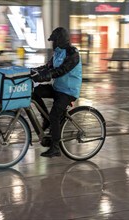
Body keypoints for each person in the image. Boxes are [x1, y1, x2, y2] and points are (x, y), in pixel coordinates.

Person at [31, 27, 82, 158]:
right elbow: (47, 67)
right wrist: (31, 71)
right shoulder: (58, 53)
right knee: (34, 92)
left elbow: (61, 70)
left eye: (54, 41)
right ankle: (45, 120)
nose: (52, 44)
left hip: (68, 91)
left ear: (60, 40)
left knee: (55, 114)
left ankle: (55, 147)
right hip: (58, 88)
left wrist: (44, 76)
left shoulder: (72, 53)